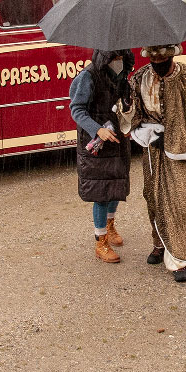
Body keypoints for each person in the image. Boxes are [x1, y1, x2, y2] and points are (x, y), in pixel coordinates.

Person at [116, 44, 186, 283]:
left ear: (171, 57)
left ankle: (178, 259)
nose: (157, 67)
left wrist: (169, 136)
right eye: (154, 62)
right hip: (152, 145)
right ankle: (159, 243)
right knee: (153, 196)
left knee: (179, 200)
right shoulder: (140, 77)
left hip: (182, 150)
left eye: (162, 62)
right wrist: (126, 104)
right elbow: (133, 115)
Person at [69, 49, 135, 263]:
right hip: (97, 143)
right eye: (114, 59)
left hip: (117, 140)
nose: (118, 62)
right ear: (105, 58)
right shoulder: (87, 76)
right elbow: (77, 109)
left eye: (121, 59)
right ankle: (101, 242)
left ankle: (110, 226)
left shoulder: (122, 75)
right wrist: (97, 129)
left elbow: (125, 105)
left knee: (115, 188)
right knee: (100, 194)